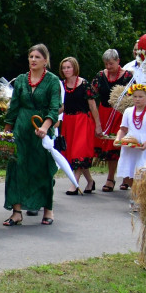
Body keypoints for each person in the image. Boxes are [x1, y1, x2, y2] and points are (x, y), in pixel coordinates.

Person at [2, 44, 62, 227]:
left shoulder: (52, 81)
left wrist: (44, 127)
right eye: (31, 56)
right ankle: (17, 212)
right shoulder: (21, 80)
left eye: (37, 57)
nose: (33, 60)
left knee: (42, 169)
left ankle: (48, 209)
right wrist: (6, 131)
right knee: (16, 167)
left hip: (41, 130)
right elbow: (14, 107)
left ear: (45, 60)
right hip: (21, 128)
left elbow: (54, 108)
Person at [91, 49, 134, 191]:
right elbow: (91, 94)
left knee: (120, 145)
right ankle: (111, 178)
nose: (108, 67)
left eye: (111, 63)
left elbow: (134, 97)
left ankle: (127, 178)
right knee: (109, 147)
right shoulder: (100, 76)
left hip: (121, 114)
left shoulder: (128, 76)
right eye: (106, 64)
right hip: (104, 112)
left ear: (118, 61)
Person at [58, 57, 102, 194]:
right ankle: (90, 181)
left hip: (83, 121)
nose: (66, 70)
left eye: (69, 67)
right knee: (73, 154)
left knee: (79, 152)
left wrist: (98, 125)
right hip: (68, 122)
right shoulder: (61, 85)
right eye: (64, 68)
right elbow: (62, 107)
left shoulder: (84, 84)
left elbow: (92, 106)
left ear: (75, 68)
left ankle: (74, 184)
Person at [114, 84, 146, 186]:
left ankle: (143, 195)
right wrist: (118, 139)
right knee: (128, 172)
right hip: (130, 145)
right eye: (135, 97)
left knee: (144, 173)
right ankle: (134, 193)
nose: (137, 99)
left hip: (145, 147)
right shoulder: (128, 111)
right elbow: (123, 129)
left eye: (140, 97)